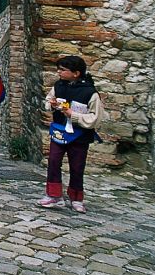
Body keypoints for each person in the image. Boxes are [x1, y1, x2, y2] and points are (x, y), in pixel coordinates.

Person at [37, 55, 105, 213]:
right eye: (58, 69)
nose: (59, 73)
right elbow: (48, 99)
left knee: (77, 166)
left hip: (80, 135)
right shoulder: (59, 86)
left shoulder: (90, 93)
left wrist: (72, 115)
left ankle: (76, 197)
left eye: (63, 70)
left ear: (76, 73)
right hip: (60, 132)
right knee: (53, 161)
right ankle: (54, 195)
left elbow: (95, 118)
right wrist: (52, 105)